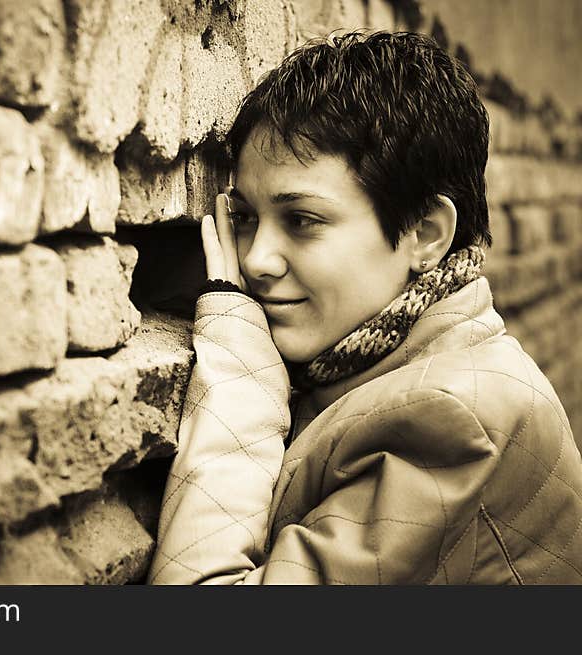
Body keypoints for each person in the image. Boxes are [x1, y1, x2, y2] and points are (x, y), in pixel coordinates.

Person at [147, 31, 582, 584]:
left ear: (425, 234)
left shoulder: (457, 421)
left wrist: (241, 375)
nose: (255, 261)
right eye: (247, 217)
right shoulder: (384, 365)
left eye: (303, 220)